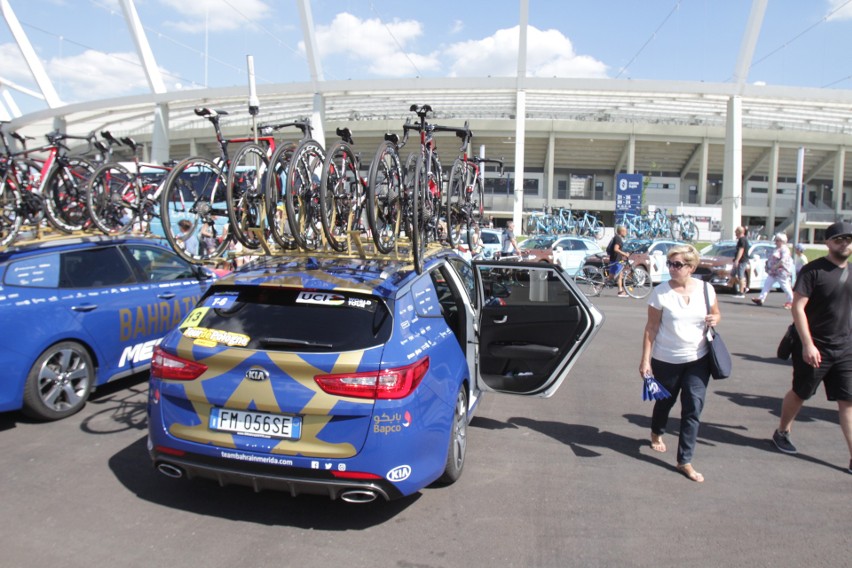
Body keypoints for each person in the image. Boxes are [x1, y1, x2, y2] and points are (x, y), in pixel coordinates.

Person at [771, 221, 852, 475]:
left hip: (845, 348)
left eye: (848, 239)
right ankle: (782, 431)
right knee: (800, 393)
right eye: (839, 239)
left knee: (848, 402)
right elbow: (798, 307)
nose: (845, 243)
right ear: (828, 243)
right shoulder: (813, 271)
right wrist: (808, 344)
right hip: (815, 347)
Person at [639, 244, 721, 483]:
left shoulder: (706, 290)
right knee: (664, 403)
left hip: (698, 359)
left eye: (677, 264)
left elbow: (717, 314)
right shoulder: (661, 293)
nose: (672, 268)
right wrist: (646, 360)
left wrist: (716, 317)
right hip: (666, 359)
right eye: (670, 264)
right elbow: (651, 328)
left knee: (693, 407)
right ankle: (656, 433)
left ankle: (684, 460)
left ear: (691, 267)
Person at [751, 233, 794, 309]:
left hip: (781, 272)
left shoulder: (784, 249)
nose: (776, 242)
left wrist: (776, 266)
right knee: (767, 285)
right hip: (773, 272)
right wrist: (769, 265)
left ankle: (791, 301)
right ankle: (761, 299)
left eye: (777, 240)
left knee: (785, 287)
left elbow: (783, 260)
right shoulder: (776, 248)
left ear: (782, 241)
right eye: (776, 240)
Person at [606, 225, 630, 298]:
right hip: (616, 260)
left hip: (616, 259)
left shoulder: (617, 237)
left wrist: (623, 254)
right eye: (625, 231)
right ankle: (620, 291)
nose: (626, 233)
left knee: (618, 276)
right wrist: (624, 254)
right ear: (622, 231)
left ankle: (620, 291)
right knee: (616, 276)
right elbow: (616, 249)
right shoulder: (618, 239)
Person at [730, 226, 750, 298]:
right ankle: (731, 287)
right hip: (740, 260)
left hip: (742, 261)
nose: (735, 234)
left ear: (739, 232)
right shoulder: (742, 240)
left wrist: (737, 260)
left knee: (740, 276)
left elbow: (741, 250)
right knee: (732, 274)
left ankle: (741, 292)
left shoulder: (742, 240)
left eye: (736, 232)